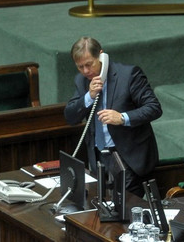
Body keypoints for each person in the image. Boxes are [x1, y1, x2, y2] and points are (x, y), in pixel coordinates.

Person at [64, 37, 162, 197]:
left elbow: (154, 108)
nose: (86, 71)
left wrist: (122, 118)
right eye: (80, 67)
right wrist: (89, 96)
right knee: (102, 208)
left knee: (122, 208)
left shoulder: (129, 75)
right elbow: (70, 117)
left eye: (89, 64)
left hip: (127, 157)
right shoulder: (82, 81)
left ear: (101, 56)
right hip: (99, 159)